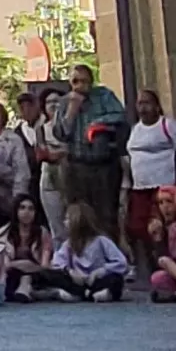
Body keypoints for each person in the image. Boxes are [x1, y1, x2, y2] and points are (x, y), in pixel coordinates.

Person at [55, 63, 129, 238]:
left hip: (103, 163)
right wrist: (71, 112)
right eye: (75, 82)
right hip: (77, 164)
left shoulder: (104, 96)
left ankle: (110, 254)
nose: (79, 86)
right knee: (78, 213)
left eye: (83, 81)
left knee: (106, 214)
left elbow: (120, 115)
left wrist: (97, 122)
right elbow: (60, 133)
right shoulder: (65, 102)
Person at [126, 89, 176, 275]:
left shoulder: (168, 125)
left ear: (156, 106)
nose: (143, 108)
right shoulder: (135, 130)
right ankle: (147, 265)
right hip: (140, 186)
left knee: (167, 225)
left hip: (165, 185)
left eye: (147, 103)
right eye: (140, 103)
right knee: (137, 226)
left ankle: (173, 263)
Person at [16, 91, 66, 232]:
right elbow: (42, 154)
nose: (26, 110)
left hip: (66, 176)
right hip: (39, 181)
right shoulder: (21, 131)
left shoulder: (59, 126)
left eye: (29, 106)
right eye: (22, 107)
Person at [0, 194, 52, 301]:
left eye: (31, 209)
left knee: (50, 275)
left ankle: (27, 287)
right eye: (22, 208)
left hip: (36, 274)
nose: (26, 212)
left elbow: (44, 266)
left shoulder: (42, 233)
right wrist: (22, 264)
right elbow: (3, 266)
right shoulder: (3, 233)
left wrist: (31, 267)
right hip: (11, 274)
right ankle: (28, 290)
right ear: (16, 211)